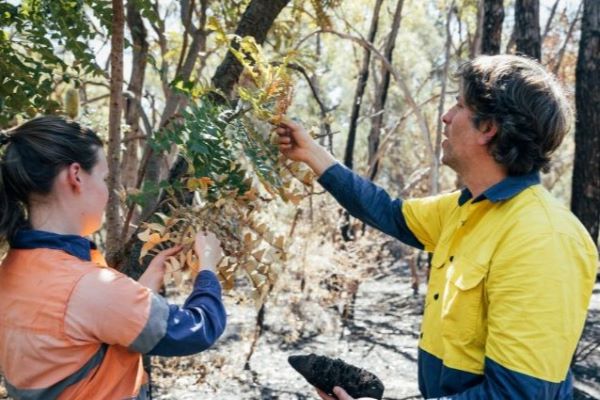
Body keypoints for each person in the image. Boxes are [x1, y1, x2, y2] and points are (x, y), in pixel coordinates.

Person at [276, 55, 598, 399]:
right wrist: (311, 153)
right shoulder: (466, 208)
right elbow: (389, 213)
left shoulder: (543, 238)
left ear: (488, 128)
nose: (446, 116)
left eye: (459, 105)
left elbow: (516, 395)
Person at [0, 116, 227, 399]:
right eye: (104, 178)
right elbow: (197, 329)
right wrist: (207, 269)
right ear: (76, 176)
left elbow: (78, 337)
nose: (107, 190)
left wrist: (140, 292)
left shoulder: (12, 269)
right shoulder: (85, 285)